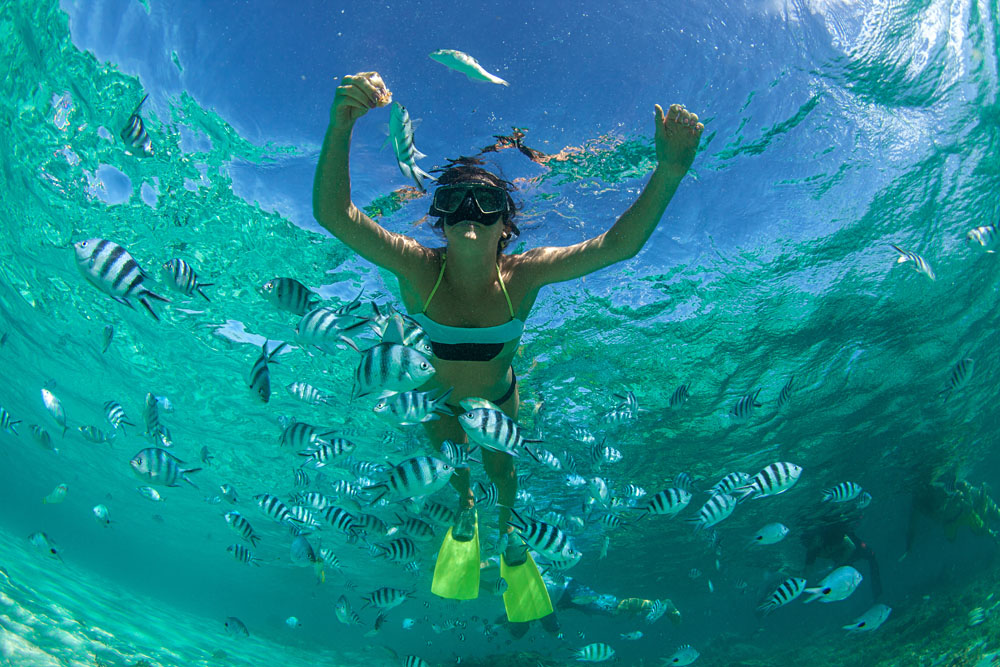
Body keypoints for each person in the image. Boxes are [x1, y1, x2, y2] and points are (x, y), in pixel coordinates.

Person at [313, 71, 703, 622]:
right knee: (456, 476)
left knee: (504, 474)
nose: (471, 212)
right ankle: (466, 511)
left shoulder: (524, 275)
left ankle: (509, 533)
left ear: (506, 224)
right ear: (440, 219)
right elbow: (335, 215)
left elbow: (618, 246)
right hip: (437, 403)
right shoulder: (415, 265)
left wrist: (669, 171)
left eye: (487, 202)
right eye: (454, 200)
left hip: (501, 402)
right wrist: (341, 127)